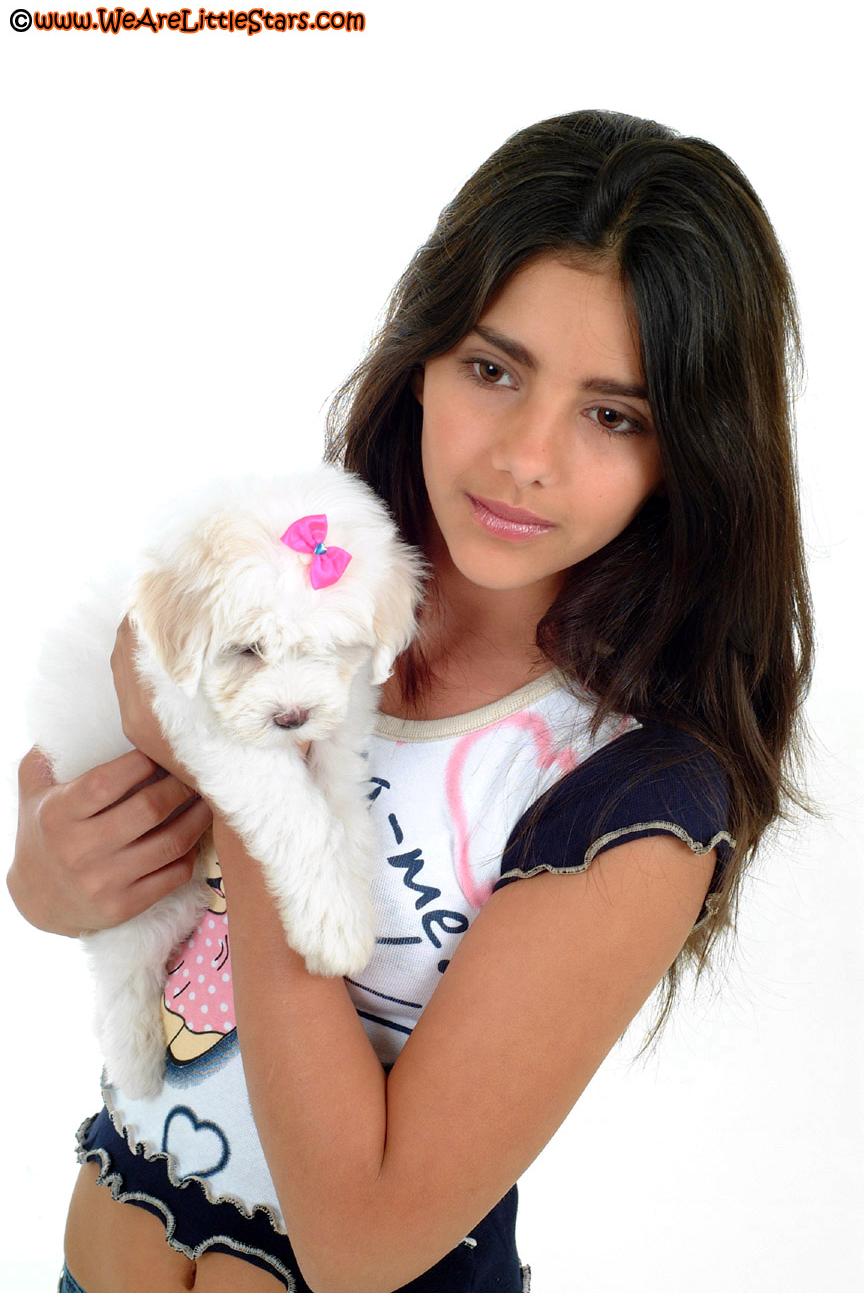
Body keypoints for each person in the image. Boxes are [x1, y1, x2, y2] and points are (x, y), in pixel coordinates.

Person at [8, 109, 813, 1293]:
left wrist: (251, 779)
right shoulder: (305, 565)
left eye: (612, 414)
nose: (526, 455)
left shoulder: (635, 794)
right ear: (423, 358)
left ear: (692, 451)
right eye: (494, 370)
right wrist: (48, 865)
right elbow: (68, 793)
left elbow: (362, 1244)